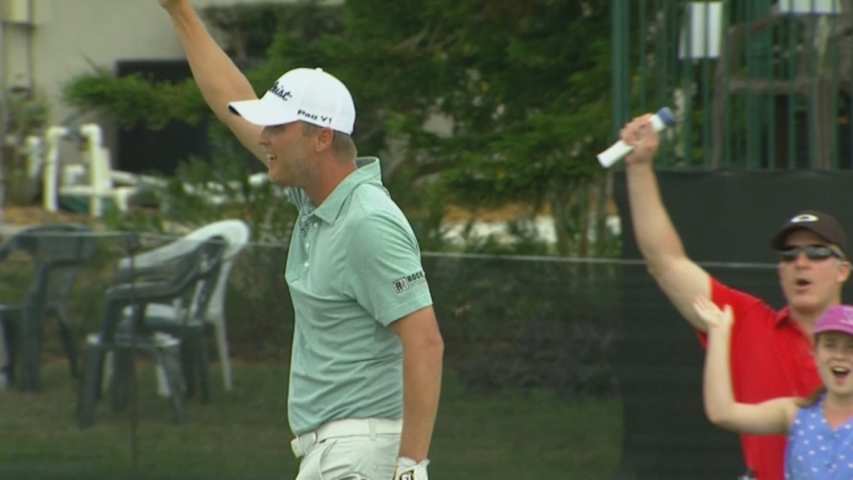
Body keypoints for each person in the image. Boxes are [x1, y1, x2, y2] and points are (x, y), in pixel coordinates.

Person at [158, 2, 444, 479]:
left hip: (360, 454)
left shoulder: (367, 221)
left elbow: (426, 341)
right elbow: (232, 104)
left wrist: (411, 467)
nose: (264, 137)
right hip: (337, 452)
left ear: (321, 138)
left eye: (277, 127)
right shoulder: (315, 197)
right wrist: (181, 12)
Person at [619, 114, 851, 480]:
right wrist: (639, 168)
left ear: (843, 270)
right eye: (789, 256)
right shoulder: (742, 320)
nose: (800, 263)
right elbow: (665, 262)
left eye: (817, 253)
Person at [694, 298, 853, 480]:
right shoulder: (796, 413)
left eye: (851, 347)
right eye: (830, 345)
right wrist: (718, 333)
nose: (840, 355)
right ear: (815, 353)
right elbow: (722, 413)